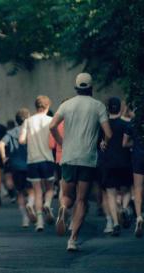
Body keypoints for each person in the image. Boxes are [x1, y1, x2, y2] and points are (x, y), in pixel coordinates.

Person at [50, 72, 112, 251]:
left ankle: (62, 208)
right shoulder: (98, 106)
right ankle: (73, 239)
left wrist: (61, 142)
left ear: (76, 88)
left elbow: (52, 126)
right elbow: (108, 134)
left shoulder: (67, 105)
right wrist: (103, 144)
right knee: (82, 200)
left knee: (67, 197)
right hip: (87, 159)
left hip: (68, 157)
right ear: (91, 88)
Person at [19, 96, 55, 231]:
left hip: (33, 160)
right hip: (47, 159)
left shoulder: (28, 121)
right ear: (47, 107)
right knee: (50, 189)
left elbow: (21, 140)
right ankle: (48, 203)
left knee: (37, 191)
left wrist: (30, 138)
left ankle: (39, 222)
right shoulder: (51, 120)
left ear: (36, 106)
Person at [100, 97, 132, 236]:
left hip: (108, 163)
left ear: (108, 109)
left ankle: (116, 223)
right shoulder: (126, 124)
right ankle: (124, 208)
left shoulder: (103, 125)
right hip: (124, 163)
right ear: (120, 108)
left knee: (111, 194)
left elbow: (100, 144)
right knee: (126, 190)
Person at [0, 108, 34, 228]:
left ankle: (25, 218)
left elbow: (1, 144)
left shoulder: (11, 132)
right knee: (32, 190)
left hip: (15, 166)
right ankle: (30, 203)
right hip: (30, 164)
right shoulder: (31, 131)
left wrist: (4, 157)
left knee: (19, 192)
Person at [123, 109, 144, 238]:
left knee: (137, 188)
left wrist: (135, 144)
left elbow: (124, 143)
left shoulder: (133, 123)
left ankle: (139, 217)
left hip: (138, 157)